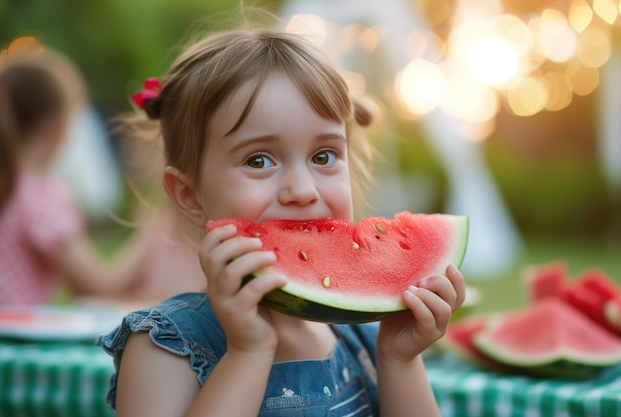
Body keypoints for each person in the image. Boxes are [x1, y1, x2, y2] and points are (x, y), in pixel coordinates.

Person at [98, 22, 466, 417]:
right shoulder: (164, 348)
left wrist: (399, 360)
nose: (303, 189)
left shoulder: (364, 338)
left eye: (323, 156)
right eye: (259, 160)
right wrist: (248, 352)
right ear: (190, 196)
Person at [0, 46, 155, 306]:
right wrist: (152, 230)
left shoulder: (11, 187)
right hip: (11, 341)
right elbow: (98, 288)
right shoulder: (39, 195)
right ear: (59, 126)